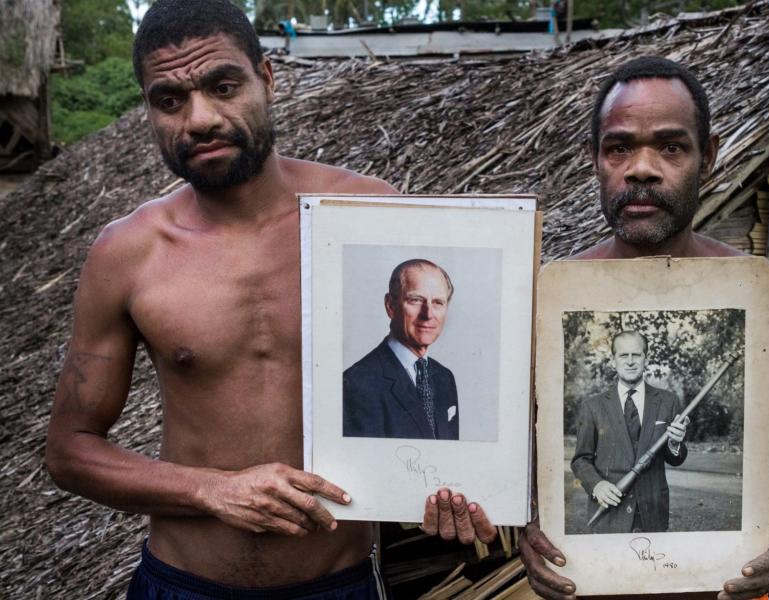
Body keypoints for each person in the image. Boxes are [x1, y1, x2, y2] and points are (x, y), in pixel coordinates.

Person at [44, 1, 494, 598]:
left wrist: (455, 488)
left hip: (340, 583)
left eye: (223, 86)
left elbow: (443, 423)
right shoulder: (127, 253)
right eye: (169, 100)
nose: (200, 118)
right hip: (184, 583)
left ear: (268, 78)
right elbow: (69, 452)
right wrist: (210, 489)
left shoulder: (369, 216)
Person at [519, 56, 769, 600]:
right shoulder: (546, 297)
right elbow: (520, 453)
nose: (641, 168)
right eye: (619, 148)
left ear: (710, 155)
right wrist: (529, 527)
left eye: (671, 147)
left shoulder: (762, 291)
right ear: (596, 160)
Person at [571, 330, 688, 534]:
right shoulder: (592, 406)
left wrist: (675, 443)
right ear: (613, 361)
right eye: (623, 355)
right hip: (609, 515)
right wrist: (597, 485)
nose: (631, 361)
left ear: (646, 359)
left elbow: (675, 459)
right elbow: (581, 460)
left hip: (653, 514)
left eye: (637, 355)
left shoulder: (668, 401)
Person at [343, 259, 460, 440]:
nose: (428, 314)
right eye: (415, 300)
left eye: (438, 302)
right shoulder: (357, 383)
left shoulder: (445, 378)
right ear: (390, 306)